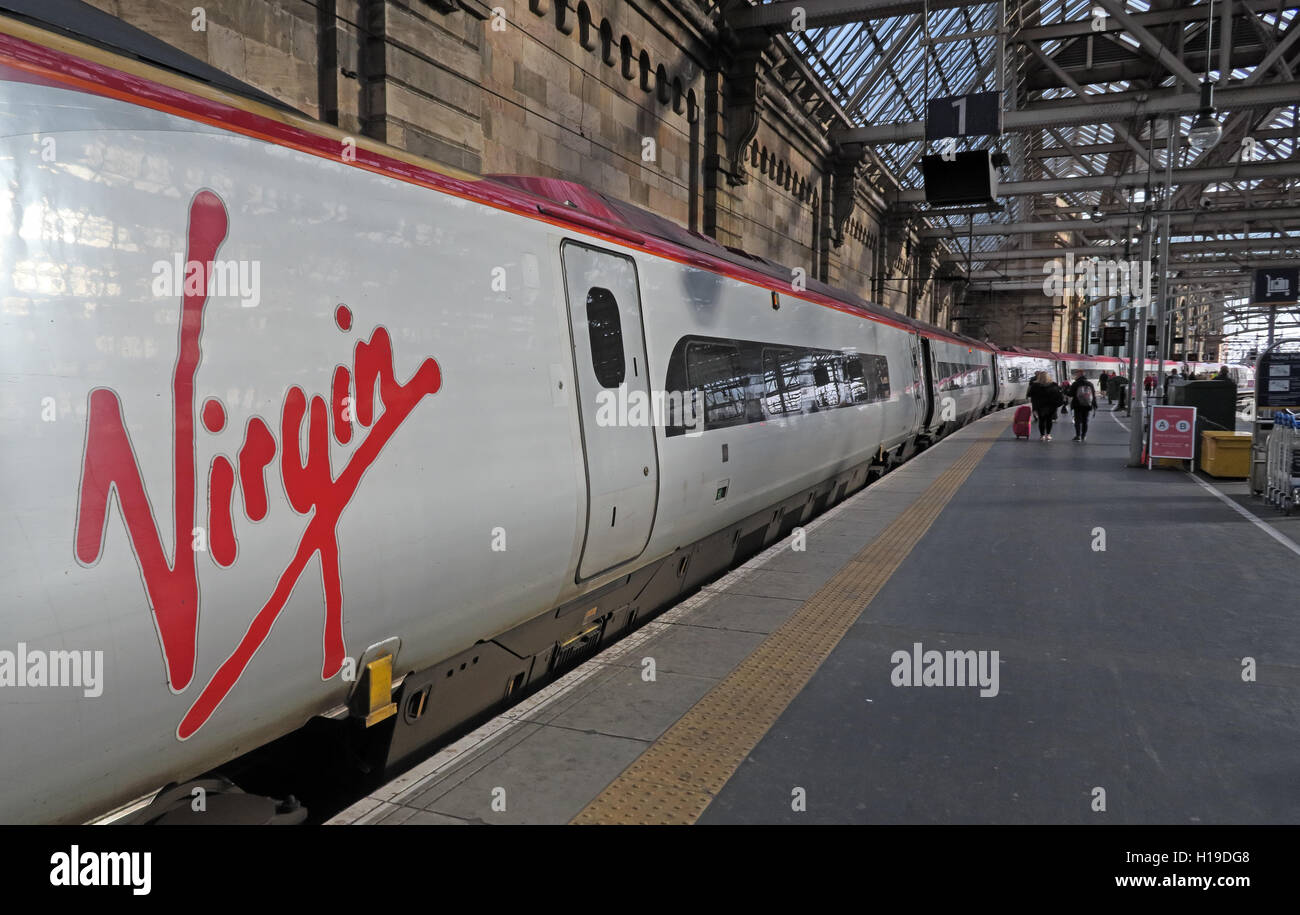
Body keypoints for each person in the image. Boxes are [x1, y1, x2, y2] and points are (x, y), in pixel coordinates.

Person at [1027, 370, 1064, 441]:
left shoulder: (1035, 385)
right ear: (1048, 377)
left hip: (1040, 406)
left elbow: (1031, 396)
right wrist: (1057, 404)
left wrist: (1034, 408)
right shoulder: (1054, 384)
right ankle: (1048, 435)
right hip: (1051, 406)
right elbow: (1059, 395)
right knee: (1049, 420)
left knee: (1041, 420)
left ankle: (1042, 435)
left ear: (1039, 377)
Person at [1067, 370, 1098, 442]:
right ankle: (1084, 435)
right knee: (1085, 420)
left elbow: (1070, 394)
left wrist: (1066, 391)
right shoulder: (1090, 384)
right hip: (1087, 404)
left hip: (1077, 404)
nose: (1075, 376)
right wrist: (1094, 404)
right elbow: (1093, 395)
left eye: (1076, 375)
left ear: (1079, 375)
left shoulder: (1075, 384)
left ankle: (1078, 436)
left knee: (1077, 420)